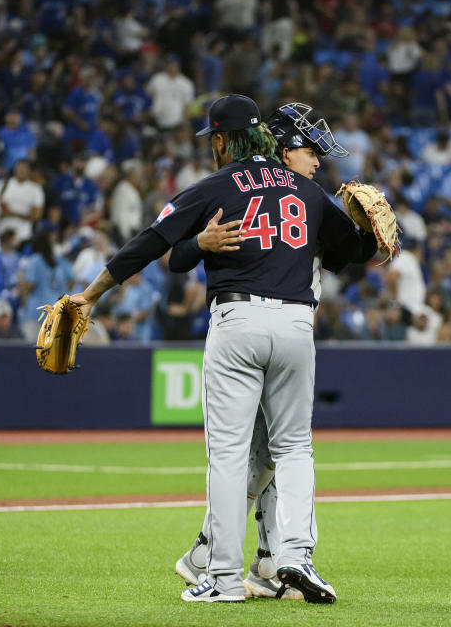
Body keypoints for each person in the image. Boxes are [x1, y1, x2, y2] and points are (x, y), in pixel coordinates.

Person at [69, 94, 371, 603]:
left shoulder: (215, 186)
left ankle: (224, 577)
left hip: (238, 321)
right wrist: (375, 230)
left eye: (213, 138)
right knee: (294, 448)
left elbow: (150, 242)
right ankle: (293, 557)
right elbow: (361, 250)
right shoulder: (309, 191)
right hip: (297, 326)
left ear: (224, 139)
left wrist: (90, 293)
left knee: (230, 456)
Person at [168, 101, 370, 600]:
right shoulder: (281, 194)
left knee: (264, 455)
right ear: (279, 148)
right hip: (275, 329)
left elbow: (350, 257)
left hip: (265, 329)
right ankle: (242, 557)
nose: (318, 161)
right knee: (271, 453)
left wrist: (363, 236)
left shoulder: (295, 196)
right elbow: (179, 251)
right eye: (309, 151)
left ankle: (243, 559)